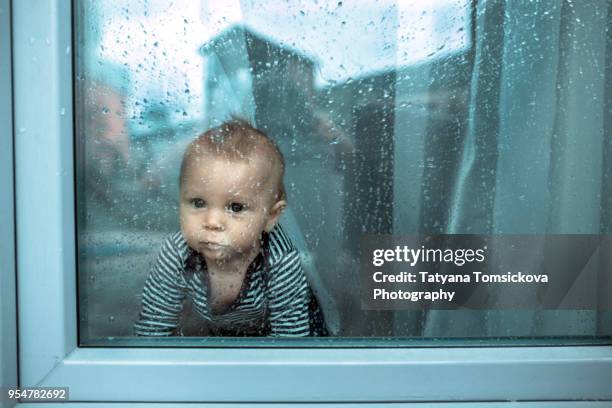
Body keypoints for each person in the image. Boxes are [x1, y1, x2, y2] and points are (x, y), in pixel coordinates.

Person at [134, 119, 327, 337]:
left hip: (289, 332)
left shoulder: (279, 260)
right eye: (198, 203)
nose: (212, 222)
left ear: (270, 217)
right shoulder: (177, 252)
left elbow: (290, 341)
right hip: (228, 334)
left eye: (236, 207)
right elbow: (153, 327)